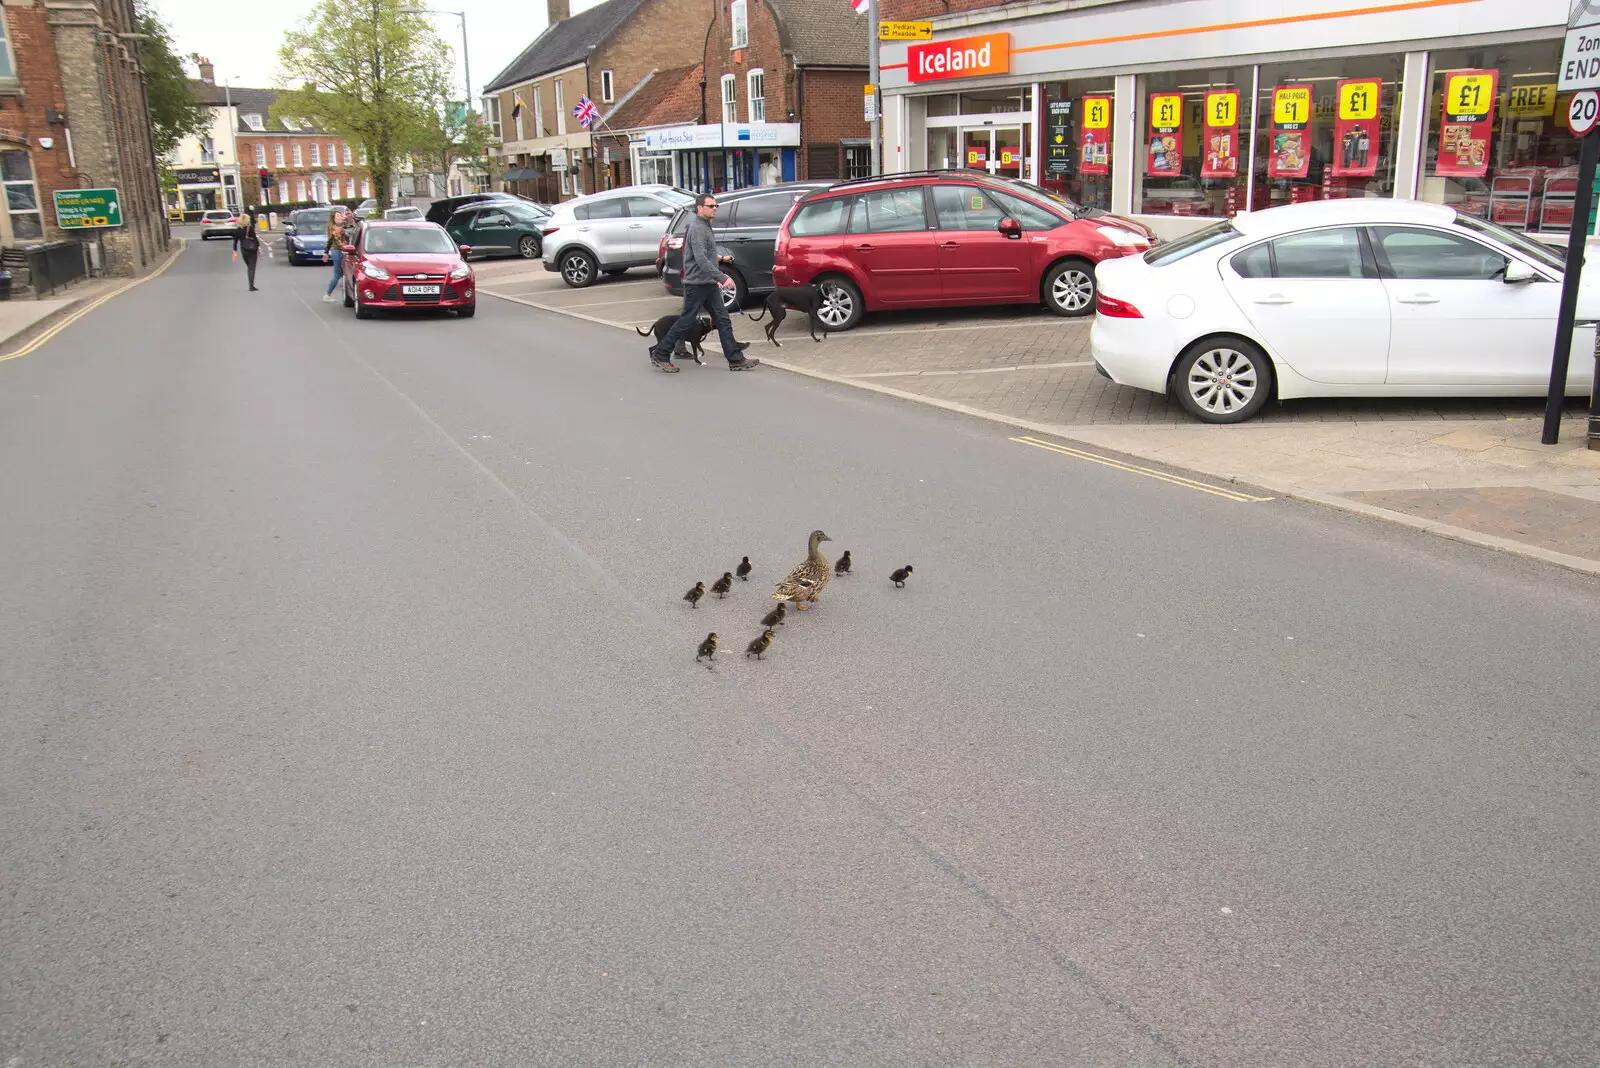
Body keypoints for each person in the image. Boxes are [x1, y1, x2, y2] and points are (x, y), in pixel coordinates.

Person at [650, 193, 757, 373]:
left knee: (722, 319)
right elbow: (700, 259)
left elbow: (704, 254)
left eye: (715, 206)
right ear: (700, 208)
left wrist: (721, 258)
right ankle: (661, 354)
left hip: (707, 283)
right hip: (696, 284)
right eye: (710, 206)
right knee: (686, 321)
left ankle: (735, 359)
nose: (714, 209)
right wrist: (723, 277)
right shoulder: (698, 229)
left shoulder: (705, 227)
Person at [230, 208, 265, 291]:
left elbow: (235, 242)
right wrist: (259, 248)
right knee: (251, 268)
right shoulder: (250, 228)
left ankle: (251, 284)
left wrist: (234, 252)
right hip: (252, 250)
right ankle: (251, 286)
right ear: (247, 220)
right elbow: (255, 239)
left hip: (244, 250)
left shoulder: (238, 230)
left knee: (249, 267)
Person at [322, 206, 350, 303]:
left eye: (340, 215)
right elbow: (339, 243)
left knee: (343, 274)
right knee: (338, 275)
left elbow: (329, 241)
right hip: (338, 252)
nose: (339, 217)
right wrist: (348, 247)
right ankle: (327, 294)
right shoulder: (337, 229)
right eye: (337, 216)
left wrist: (325, 252)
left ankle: (344, 293)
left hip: (336, 252)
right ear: (333, 218)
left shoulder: (334, 227)